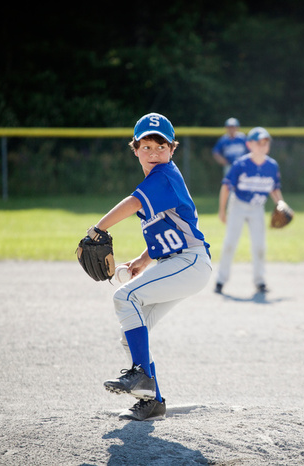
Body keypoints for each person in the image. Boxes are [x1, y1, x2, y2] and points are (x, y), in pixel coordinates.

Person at [87, 112, 212, 421]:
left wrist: (97, 229)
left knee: (125, 298)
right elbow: (167, 232)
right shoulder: (157, 181)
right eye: (146, 146)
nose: (154, 153)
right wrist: (144, 259)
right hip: (180, 263)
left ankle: (142, 375)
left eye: (161, 146)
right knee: (130, 333)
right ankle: (153, 401)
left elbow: (133, 203)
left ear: (172, 150)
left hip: (191, 261)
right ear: (135, 149)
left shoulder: (164, 175)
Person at [215, 126, 285, 295]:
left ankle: (260, 281)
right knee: (230, 244)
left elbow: (274, 188)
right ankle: (220, 280)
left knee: (260, 246)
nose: (263, 146)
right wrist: (222, 211)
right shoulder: (241, 164)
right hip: (238, 205)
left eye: (266, 143)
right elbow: (226, 187)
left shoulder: (272, 166)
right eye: (259, 142)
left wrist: (281, 203)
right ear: (249, 144)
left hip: (257, 208)